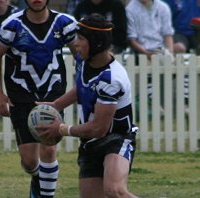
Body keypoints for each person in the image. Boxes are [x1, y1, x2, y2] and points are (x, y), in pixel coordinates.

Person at [36, 13, 139, 198]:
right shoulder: (84, 61)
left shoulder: (111, 79)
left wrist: (61, 129)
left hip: (116, 138)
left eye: (81, 39)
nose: (75, 43)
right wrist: (56, 105)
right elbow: (82, 87)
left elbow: (99, 128)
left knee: (114, 190)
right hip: (90, 144)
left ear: (97, 43)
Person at [0, 0, 77, 197]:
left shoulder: (64, 23)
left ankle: (45, 194)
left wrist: (84, 84)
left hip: (53, 97)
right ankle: (39, 178)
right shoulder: (13, 25)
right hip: (21, 96)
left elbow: (80, 53)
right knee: (29, 161)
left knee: (48, 150)